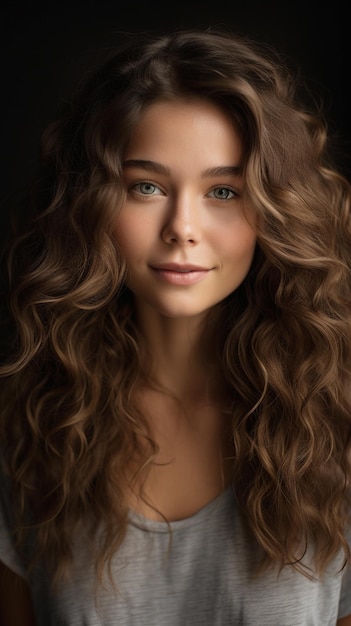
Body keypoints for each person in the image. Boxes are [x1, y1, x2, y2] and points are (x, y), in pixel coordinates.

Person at [0, 27, 350, 626]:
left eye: (223, 190)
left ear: (274, 209)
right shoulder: (26, 429)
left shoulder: (337, 427)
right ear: (90, 205)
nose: (182, 226)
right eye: (146, 187)